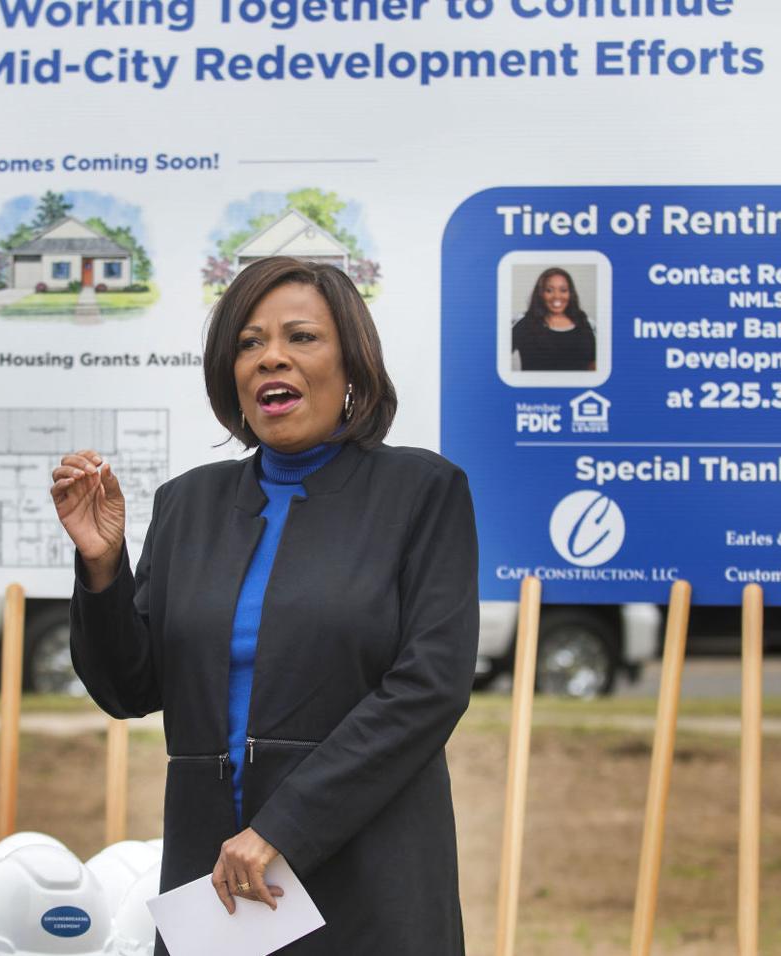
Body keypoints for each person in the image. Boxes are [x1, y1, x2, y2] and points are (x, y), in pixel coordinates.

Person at [52, 255, 479, 954]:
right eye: (249, 344)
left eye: (301, 337)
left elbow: (429, 689)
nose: (270, 358)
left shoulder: (423, 492)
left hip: (368, 873)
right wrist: (102, 566)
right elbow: (128, 689)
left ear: (353, 365)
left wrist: (283, 828)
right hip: (218, 885)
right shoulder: (187, 504)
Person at [511, 266, 596, 371]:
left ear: (570, 293)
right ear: (540, 294)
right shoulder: (524, 324)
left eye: (563, 290)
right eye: (549, 290)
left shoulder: (586, 323)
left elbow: (594, 365)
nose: (557, 296)